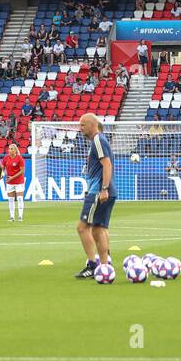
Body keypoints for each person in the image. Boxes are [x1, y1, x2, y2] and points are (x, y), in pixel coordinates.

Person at [74, 114, 115, 279]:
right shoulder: (100, 140)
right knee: (99, 228)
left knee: (82, 227)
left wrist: (103, 188)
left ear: (92, 125)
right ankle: (105, 266)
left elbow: (107, 164)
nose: (80, 128)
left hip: (98, 190)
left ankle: (92, 265)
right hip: (105, 189)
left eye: (83, 125)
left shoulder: (98, 140)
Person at [1, 142, 26, 222]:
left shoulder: (19, 159)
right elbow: (2, 168)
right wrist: (0, 174)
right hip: (9, 182)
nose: (10, 150)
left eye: (11, 149)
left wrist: (12, 177)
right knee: (11, 199)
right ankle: (12, 217)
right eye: (9, 149)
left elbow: (22, 171)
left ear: (15, 150)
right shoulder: (5, 158)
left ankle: (20, 216)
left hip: (19, 181)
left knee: (19, 198)